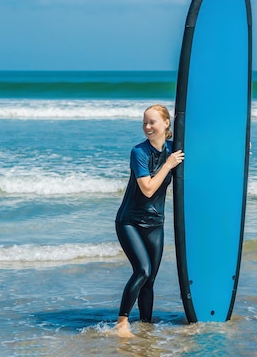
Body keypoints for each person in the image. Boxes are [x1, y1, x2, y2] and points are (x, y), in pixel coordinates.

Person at [113, 104, 184, 338]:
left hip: (155, 223)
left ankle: (146, 325)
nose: (147, 127)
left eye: (152, 122)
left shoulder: (174, 149)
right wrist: (168, 165)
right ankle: (122, 322)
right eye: (144, 122)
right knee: (142, 271)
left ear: (166, 123)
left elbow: (208, 155)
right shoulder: (139, 152)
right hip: (129, 222)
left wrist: (240, 149)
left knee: (150, 279)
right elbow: (147, 189)